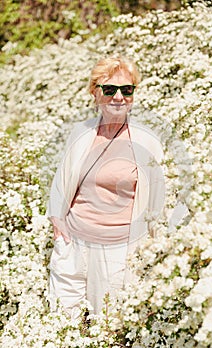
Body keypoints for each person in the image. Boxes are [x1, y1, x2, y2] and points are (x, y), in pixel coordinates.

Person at [47, 56, 165, 317]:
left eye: (127, 90)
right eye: (109, 90)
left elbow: (157, 204)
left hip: (117, 249)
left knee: (109, 324)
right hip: (73, 244)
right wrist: (57, 222)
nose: (118, 97)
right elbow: (62, 180)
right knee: (63, 321)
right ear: (95, 93)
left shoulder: (147, 141)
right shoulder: (81, 132)